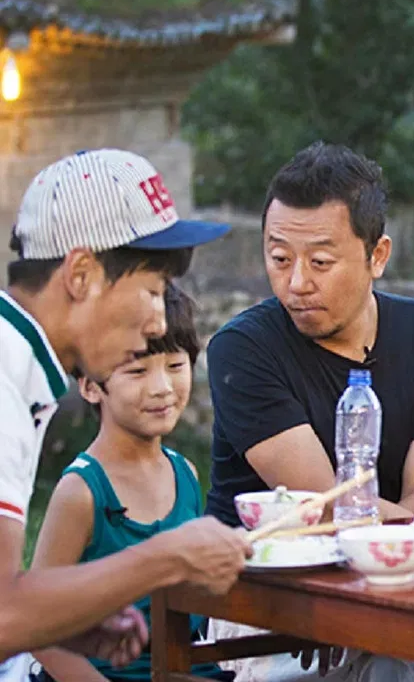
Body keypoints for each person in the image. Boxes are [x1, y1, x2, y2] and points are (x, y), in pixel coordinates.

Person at [202, 142, 414, 682]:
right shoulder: (243, 349)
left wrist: (411, 536)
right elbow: (327, 509)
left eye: (320, 262)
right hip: (268, 604)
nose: (297, 283)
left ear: (378, 256)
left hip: (398, 589)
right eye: (280, 259)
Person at [0, 149, 248, 664]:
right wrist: (165, 557)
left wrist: (65, 620)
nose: (158, 321)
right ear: (81, 275)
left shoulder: (20, 374)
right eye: (152, 291)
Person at [30, 284, 232, 682]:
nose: (162, 388)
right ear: (90, 385)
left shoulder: (185, 474)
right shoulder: (82, 492)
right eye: (138, 371)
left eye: (175, 365)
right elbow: (37, 625)